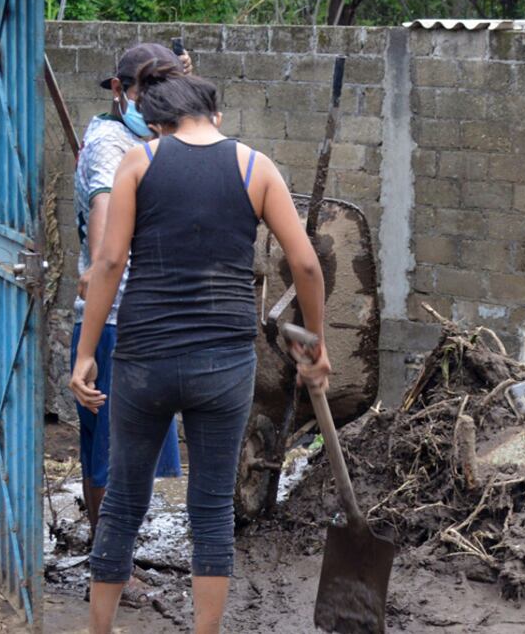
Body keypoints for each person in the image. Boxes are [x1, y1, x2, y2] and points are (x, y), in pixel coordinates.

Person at [69, 59, 331, 634]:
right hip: (224, 363)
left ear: (157, 121)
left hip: (143, 360)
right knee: (210, 509)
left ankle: (98, 631)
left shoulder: (139, 162)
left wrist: (88, 352)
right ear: (215, 115)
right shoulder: (255, 166)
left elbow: (110, 262)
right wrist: (314, 343)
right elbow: (306, 263)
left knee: (123, 505)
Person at [71, 44, 188, 571]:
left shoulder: (147, 136)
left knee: (112, 449)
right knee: (120, 454)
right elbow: (104, 234)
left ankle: (108, 559)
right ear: (119, 90)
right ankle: (110, 566)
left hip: (130, 318)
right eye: (145, 92)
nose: (154, 104)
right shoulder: (110, 145)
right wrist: (99, 275)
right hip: (119, 319)